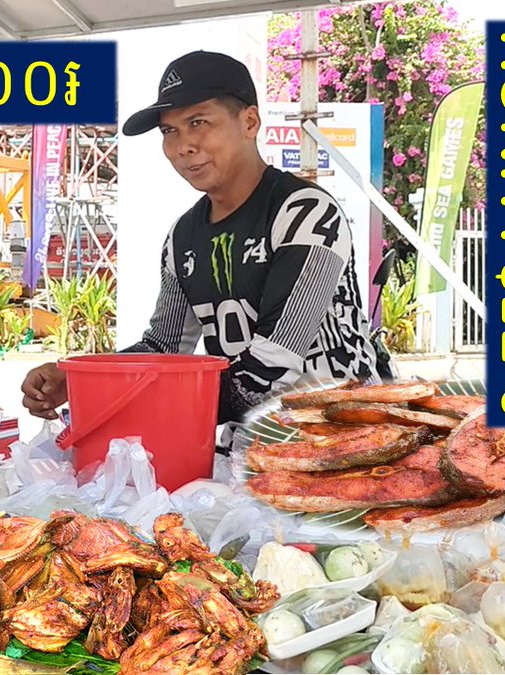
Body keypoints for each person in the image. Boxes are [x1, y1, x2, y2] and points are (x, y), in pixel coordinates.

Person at [23, 51, 377, 425]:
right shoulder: (183, 237)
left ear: (250, 121)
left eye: (198, 122)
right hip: (254, 446)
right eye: (169, 130)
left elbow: (268, 370)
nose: (183, 146)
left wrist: (127, 401)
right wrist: (78, 378)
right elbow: (163, 347)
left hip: (348, 435)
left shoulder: (305, 213)